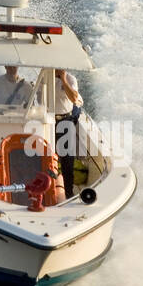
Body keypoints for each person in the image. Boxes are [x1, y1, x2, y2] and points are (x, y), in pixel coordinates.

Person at [53, 69, 83, 198]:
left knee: (67, 160)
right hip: (48, 120)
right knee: (46, 156)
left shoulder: (70, 79)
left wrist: (63, 79)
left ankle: (69, 194)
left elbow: (74, 97)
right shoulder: (45, 76)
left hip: (65, 120)